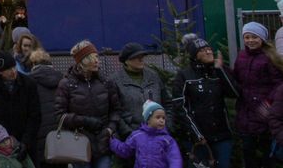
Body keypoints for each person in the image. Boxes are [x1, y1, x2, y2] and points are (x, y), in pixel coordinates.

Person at [170, 35, 238, 168]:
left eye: (209, 49)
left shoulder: (217, 72)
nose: (208, 52)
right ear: (195, 55)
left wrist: (220, 70)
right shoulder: (184, 75)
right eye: (202, 50)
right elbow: (180, 107)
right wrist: (197, 134)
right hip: (198, 138)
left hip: (222, 135)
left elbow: (234, 93)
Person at [54, 40, 121, 168]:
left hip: (103, 143)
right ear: (82, 61)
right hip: (78, 143)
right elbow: (60, 116)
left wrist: (110, 129)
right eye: (91, 58)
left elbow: (116, 110)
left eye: (97, 57)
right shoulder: (67, 84)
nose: (97, 61)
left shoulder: (106, 82)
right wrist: (84, 121)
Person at [234, 21, 283, 168]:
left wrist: (269, 103)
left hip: (265, 112)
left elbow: (279, 83)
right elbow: (236, 79)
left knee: (267, 152)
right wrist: (221, 69)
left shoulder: (270, 58)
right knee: (248, 152)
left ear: (262, 39)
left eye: (254, 37)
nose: (250, 40)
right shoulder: (241, 57)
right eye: (247, 37)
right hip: (246, 112)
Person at [0, 51, 41, 159]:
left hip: (25, 143)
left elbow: (34, 116)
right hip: (0, 145)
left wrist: (26, 143)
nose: (13, 72)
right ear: (0, 72)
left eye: (14, 67)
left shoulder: (29, 84)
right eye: (8, 69)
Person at [113, 42, 170, 139]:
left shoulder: (153, 76)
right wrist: (129, 133)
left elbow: (168, 103)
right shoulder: (115, 80)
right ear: (126, 61)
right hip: (132, 137)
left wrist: (167, 126)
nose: (141, 59)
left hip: (158, 134)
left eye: (142, 56)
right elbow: (115, 112)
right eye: (136, 57)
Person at [109, 101, 181, 168]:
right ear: (148, 119)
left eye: (163, 118)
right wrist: (112, 140)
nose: (161, 120)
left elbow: (175, 158)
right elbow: (125, 150)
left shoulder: (168, 140)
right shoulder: (137, 135)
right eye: (158, 117)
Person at [27, 49, 64, 167]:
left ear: (33, 64)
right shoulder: (62, 79)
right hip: (61, 136)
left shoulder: (29, 82)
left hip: (40, 138)